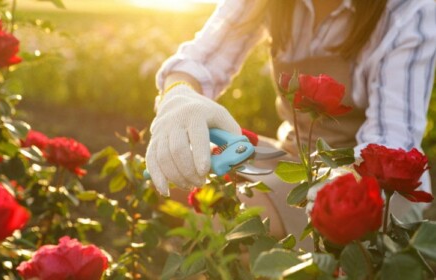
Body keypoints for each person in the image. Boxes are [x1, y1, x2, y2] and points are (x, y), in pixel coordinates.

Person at [145, 0, 436, 249]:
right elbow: (202, 59)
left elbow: (391, 141)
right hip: (296, 159)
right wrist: (179, 95)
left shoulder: (409, 9)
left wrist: (335, 189)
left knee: (242, 227)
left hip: (377, 186)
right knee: (213, 203)